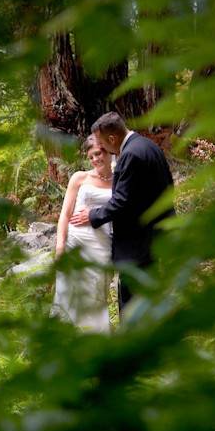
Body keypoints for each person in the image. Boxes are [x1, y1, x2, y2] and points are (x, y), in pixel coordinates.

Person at [69, 112, 175, 314]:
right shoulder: (149, 146)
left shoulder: (130, 155)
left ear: (112, 138)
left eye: (101, 144)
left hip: (137, 241)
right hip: (156, 235)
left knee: (130, 300)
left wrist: (92, 215)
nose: (101, 148)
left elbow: (122, 200)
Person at [51, 136, 114, 332]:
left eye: (99, 153)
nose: (95, 159)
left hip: (102, 245)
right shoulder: (79, 178)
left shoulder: (120, 179)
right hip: (75, 243)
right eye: (91, 156)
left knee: (96, 294)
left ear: (109, 151)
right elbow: (65, 214)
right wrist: (60, 246)